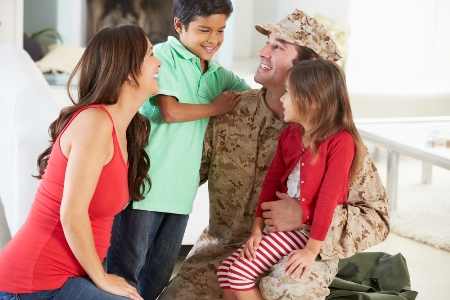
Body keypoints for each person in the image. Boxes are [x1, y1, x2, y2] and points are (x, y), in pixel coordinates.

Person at [159, 9, 389, 300]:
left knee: (286, 291)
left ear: (309, 67)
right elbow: (181, 173)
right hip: (223, 252)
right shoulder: (228, 111)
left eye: (278, 46)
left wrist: (305, 215)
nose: (262, 51)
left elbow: (377, 218)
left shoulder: (333, 136)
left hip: (296, 256)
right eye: (268, 42)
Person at [0, 24, 161, 300]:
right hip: (31, 281)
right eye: (149, 54)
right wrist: (101, 278)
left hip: (66, 277)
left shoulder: (125, 128)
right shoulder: (95, 123)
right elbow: (71, 215)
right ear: (129, 71)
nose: (158, 61)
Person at [106, 0, 250, 299]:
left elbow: (252, 97)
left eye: (221, 30)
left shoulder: (217, 73)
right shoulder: (162, 57)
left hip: (181, 192)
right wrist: (214, 107)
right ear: (178, 26)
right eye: (204, 30)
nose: (213, 39)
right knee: (124, 274)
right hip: (143, 185)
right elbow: (169, 111)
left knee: (158, 278)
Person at [217, 59, 365, 299]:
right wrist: (257, 230)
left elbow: (328, 201)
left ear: (311, 101)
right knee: (225, 271)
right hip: (278, 229)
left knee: (239, 274)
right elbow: (271, 183)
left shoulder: (341, 141)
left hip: (307, 233)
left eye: (288, 93)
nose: (282, 99)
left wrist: (310, 250)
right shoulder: (290, 135)